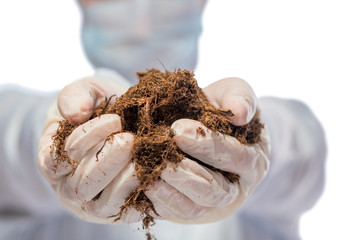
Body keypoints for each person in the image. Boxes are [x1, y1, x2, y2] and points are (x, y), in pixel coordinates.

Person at [0, 0, 327, 239]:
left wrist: (251, 137)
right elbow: (8, 144)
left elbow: (305, 150)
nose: (142, 20)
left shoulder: (226, 120)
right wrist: (50, 141)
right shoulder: (25, 112)